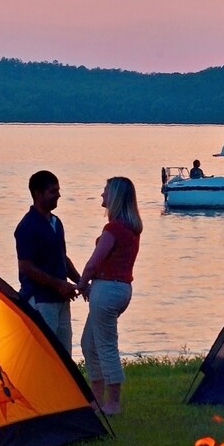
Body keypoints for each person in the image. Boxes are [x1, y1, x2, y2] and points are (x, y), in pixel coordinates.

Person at [77, 177, 142, 415]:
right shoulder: (130, 228)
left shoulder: (113, 229)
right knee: (89, 343)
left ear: (115, 196)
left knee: (105, 346)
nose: (102, 194)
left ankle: (113, 403)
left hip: (107, 290)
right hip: (119, 289)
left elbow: (93, 263)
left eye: (105, 191)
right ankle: (96, 398)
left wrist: (81, 284)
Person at [14, 170, 81, 354]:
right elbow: (26, 266)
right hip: (41, 300)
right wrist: (58, 284)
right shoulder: (27, 226)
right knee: (45, 352)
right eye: (53, 191)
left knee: (64, 353)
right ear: (38, 193)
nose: (58, 195)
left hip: (61, 299)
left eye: (58, 190)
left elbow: (62, 258)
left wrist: (80, 281)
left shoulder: (56, 222)